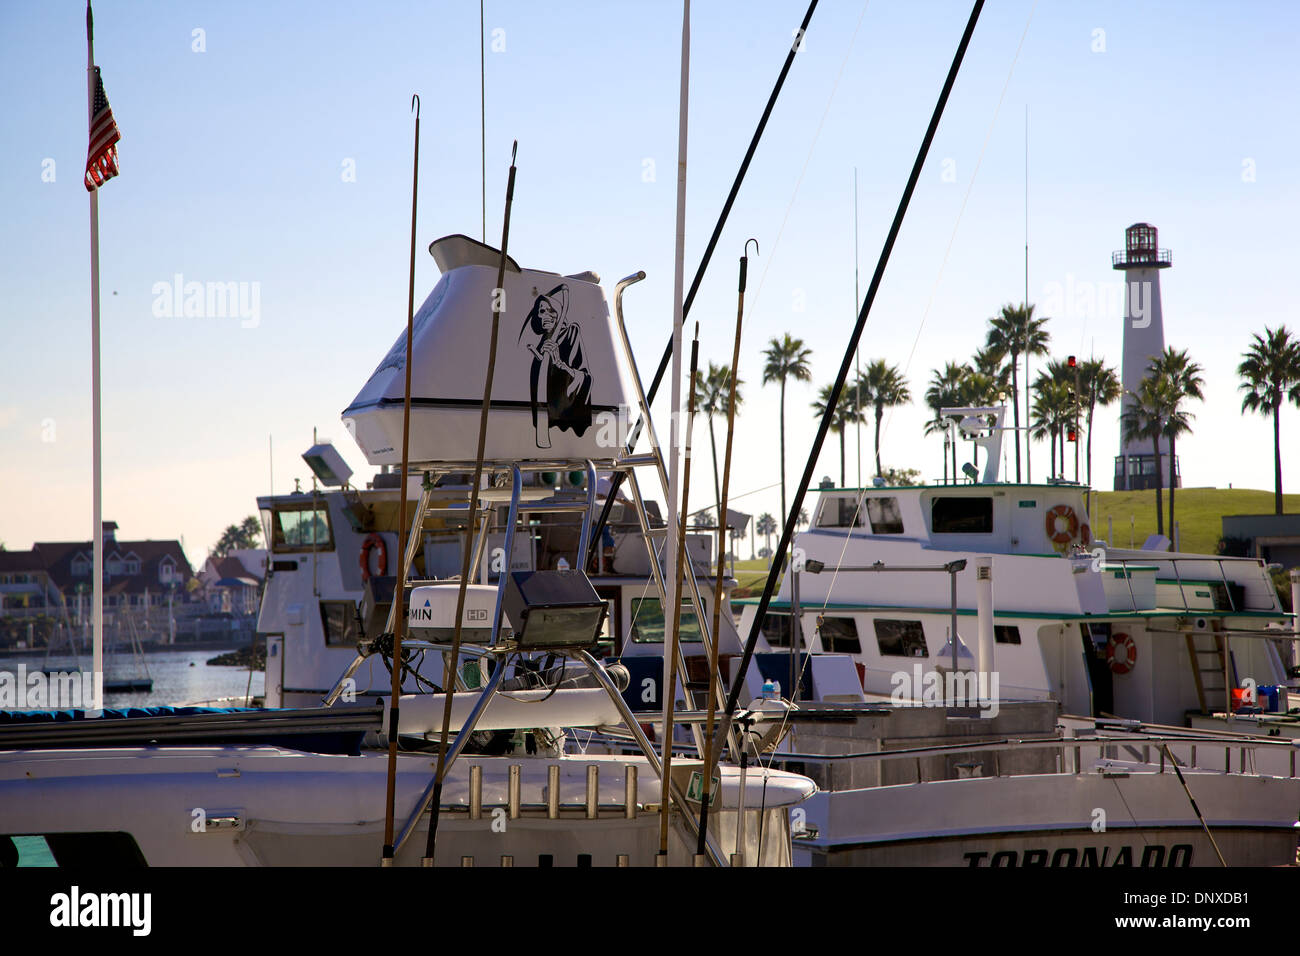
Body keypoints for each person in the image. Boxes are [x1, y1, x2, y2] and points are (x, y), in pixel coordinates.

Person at [518, 284, 593, 444]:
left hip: (565, 423)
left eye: (549, 310)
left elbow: (585, 378)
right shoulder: (542, 343)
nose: (544, 315)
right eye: (541, 311)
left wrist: (560, 363)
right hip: (542, 417)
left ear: (558, 313)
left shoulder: (571, 333)